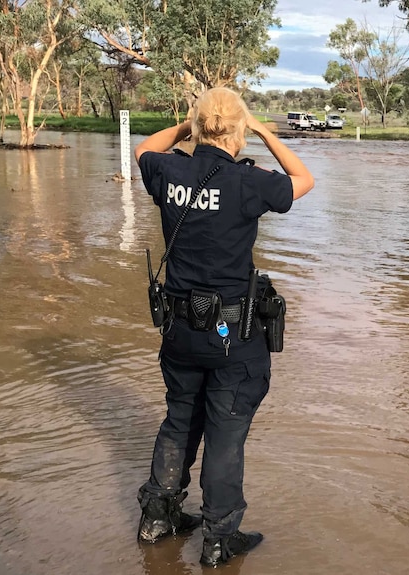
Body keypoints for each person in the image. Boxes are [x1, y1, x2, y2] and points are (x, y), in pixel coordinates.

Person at [133, 87, 314, 567]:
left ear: (197, 127)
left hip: (179, 334)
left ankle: (158, 516)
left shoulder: (168, 169)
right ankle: (218, 538)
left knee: (179, 418)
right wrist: (261, 130)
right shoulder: (247, 182)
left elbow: (142, 149)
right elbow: (304, 179)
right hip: (232, 338)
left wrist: (190, 125)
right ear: (238, 130)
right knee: (225, 435)